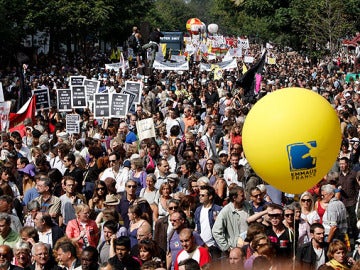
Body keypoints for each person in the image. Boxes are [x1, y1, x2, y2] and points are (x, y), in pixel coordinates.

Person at [212, 185, 253, 252]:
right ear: (234, 197)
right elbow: (216, 231)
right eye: (242, 196)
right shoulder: (226, 211)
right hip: (235, 249)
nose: (244, 198)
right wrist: (226, 248)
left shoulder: (248, 206)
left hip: (249, 247)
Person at [194, 186, 222, 259]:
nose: (200, 197)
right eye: (199, 195)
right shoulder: (198, 210)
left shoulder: (218, 209)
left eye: (203, 195)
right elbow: (197, 227)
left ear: (210, 197)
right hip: (201, 245)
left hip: (214, 245)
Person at [338, 157, 359, 239]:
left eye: (343, 163)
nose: (341, 166)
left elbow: (357, 188)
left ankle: (355, 239)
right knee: (344, 224)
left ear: (347, 164)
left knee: (353, 222)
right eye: (340, 164)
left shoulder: (353, 174)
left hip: (352, 202)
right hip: (342, 203)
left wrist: (356, 199)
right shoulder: (338, 175)